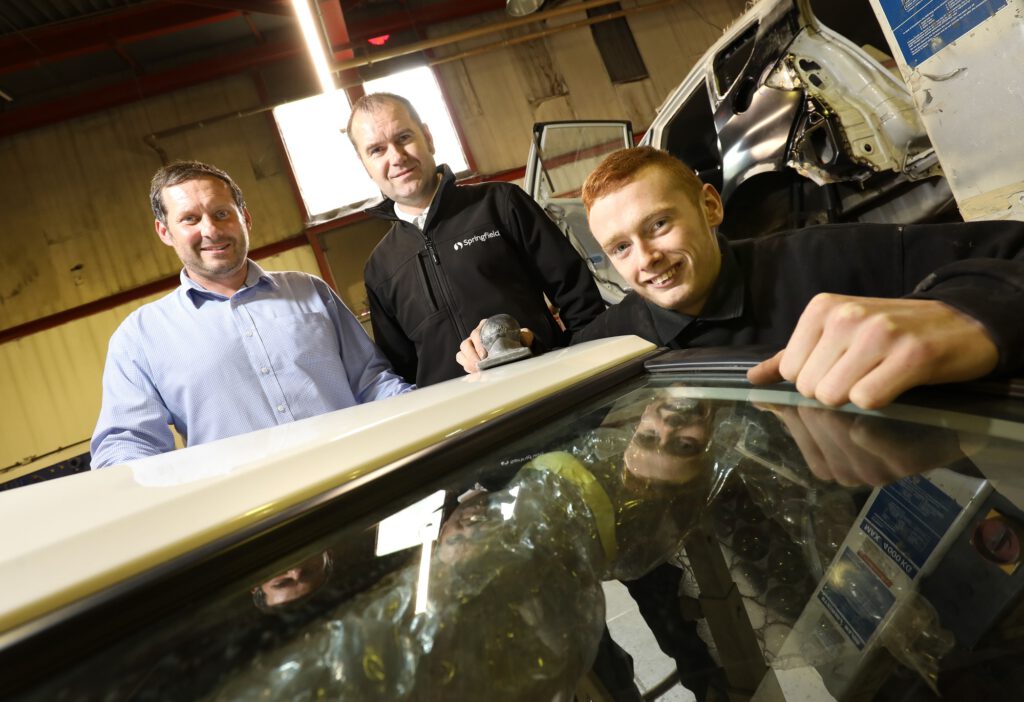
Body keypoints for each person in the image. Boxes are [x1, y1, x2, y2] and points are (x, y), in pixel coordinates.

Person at [459, 146, 1024, 409]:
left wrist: (969, 313)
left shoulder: (833, 260)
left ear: (710, 206)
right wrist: (509, 360)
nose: (646, 258)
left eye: (659, 224)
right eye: (621, 248)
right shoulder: (612, 342)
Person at [90, 161, 412, 469]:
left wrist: (431, 412)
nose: (211, 230)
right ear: (165, 232)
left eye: (221, 213)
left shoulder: (310, 292)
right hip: (249, 515)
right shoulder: (141, 337)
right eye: (190, 219)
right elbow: (126, 445)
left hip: (362, 483)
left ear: (245, 218)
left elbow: (372, 383)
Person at [347, 92, 606, 386]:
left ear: (428, 137)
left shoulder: (501, 205)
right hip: (462, 423)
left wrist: (588, 375)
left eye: (404, 137)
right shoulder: (379, 269)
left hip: (545, 392)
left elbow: (580, 300)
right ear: (365, 165)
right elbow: (402, 372)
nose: (396, 157)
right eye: (377, 150)